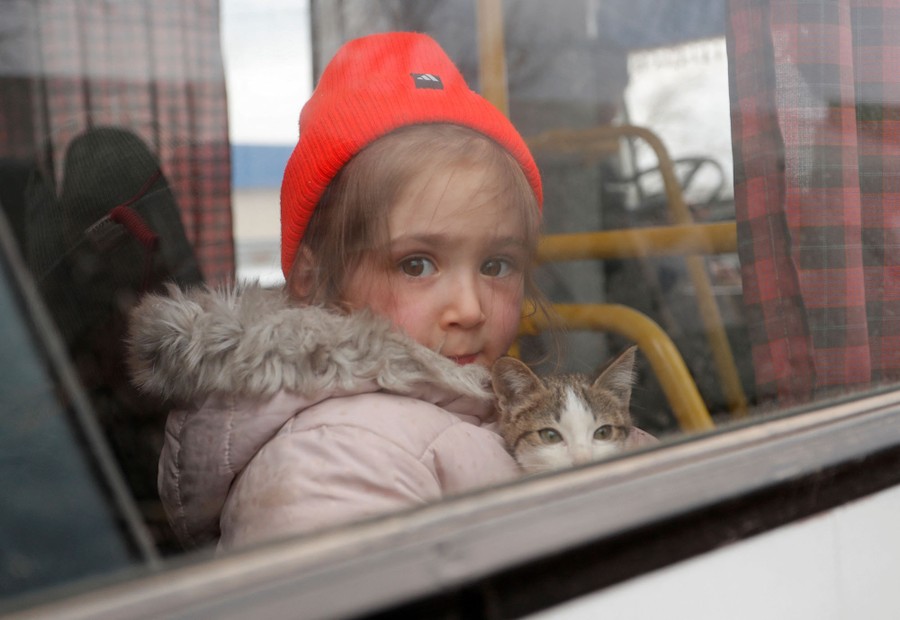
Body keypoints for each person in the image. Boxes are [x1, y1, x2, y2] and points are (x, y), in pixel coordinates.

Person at [128, 32, 653, 552]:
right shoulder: (334, 462)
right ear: (313, 281)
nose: (469, 309)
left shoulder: (476, 405)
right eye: (416, 263)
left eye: (497, 264)